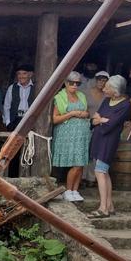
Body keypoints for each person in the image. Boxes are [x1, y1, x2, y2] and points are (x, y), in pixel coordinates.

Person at [87, 75, 131, 218]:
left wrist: (103, 120)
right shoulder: (106, 101)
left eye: (107, 88)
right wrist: (101, 120)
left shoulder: (125, 104)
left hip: (109, 140)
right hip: (99, 138)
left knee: (100, 172)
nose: (104, 89)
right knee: (104, 172)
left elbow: (112, 124)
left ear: (115, 90)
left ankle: (103, 208)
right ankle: (110, 206)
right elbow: (95, 118)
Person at [52, 72, 91, 202]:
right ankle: (68, 190)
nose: (75, 85)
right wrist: (72, 113)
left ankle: (75, 190)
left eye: (77, 83)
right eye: (72, 82)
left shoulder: (82, 96)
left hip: (81, 135)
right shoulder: (60, 97)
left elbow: (87, 113)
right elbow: (55, 119)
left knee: (81, 164)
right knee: (76, 164)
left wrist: (84, 114)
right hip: (67, 135)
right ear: (66, 83)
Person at [2, 64, 35, 177]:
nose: (21, 76)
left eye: (24, 73)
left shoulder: (35, 87)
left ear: (30, 74)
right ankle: (12, 176)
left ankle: (27, 176)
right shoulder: (13, 87)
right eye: (19, 74)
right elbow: (6, 106)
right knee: (13, 149)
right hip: (15, 120)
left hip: (29, 121)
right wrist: (8, 122)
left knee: (29, 148)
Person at [82, 70, 110, 187]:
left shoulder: (107, 96)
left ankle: (92, 178)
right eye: (99, 79)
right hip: (86, 124)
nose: (101, 82)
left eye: (104, 80)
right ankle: (83, 177)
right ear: (95, 79)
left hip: (101, 126)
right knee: (85, 151)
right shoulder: (86, 92)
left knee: (96, 152)